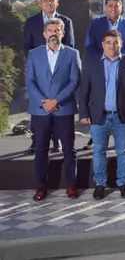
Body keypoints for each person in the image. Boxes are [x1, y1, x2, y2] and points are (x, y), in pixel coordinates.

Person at [78, 30, 125, 199]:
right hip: (99, 115)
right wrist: (83, 112)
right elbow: (84, 90)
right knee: (99, 151)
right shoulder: (91, 63)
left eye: (115, 42)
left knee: (124, 151)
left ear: (120, 44)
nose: (112, 46)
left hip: (123, 116)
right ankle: (100, 184)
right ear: (102, 44)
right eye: (108, 42)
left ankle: (123, 183)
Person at [25, 18, 81, 202]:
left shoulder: (72, 54)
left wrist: (56, 100)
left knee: (69, 150)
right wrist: (45, 102)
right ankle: (41, 187)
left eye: (57, 30)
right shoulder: (34, 54)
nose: (53, 33)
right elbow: (30, 82)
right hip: (40, 110)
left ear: (63, 33)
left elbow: (75, 81)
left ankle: (71, 186)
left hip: (63, 109)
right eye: (50, 30)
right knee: (41, 150)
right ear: (44, 33)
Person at [22, 0, 75, 155]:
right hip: (39, 73)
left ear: (57, 2)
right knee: (39, 105)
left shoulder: (66, 22)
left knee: (58, 105)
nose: (49, 2)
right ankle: (36, 141)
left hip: (59, 73)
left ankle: (57, 141)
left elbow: (70, 47)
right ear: (40, 3)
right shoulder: (31, 22)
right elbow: (26, 46)